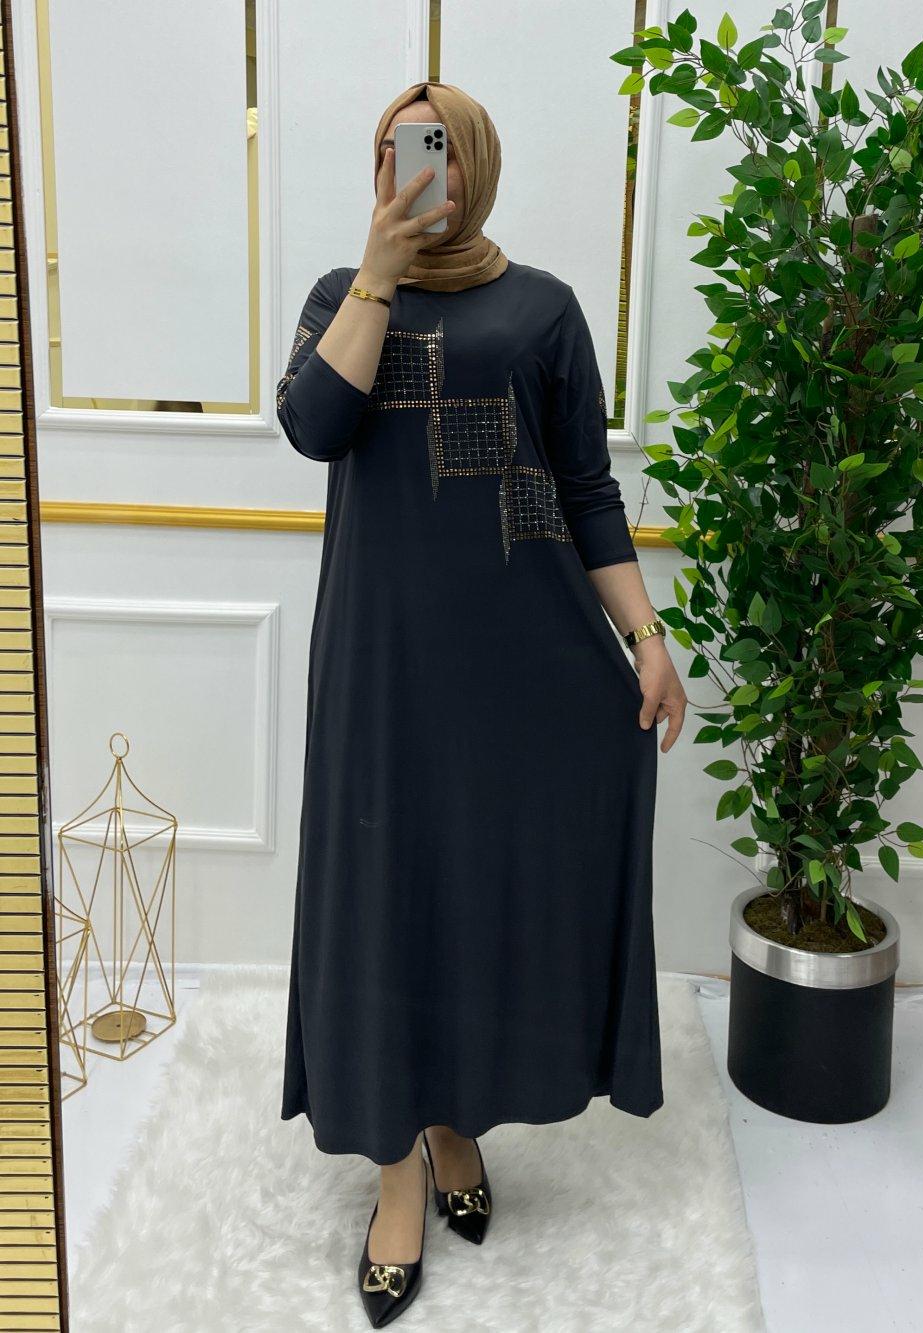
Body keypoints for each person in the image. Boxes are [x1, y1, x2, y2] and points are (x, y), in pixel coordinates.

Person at [276, 80, 687, 1327]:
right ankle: (396, 1170)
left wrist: (646, 637)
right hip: (382, 670)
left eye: (442, 152)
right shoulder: (338, 296)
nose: (421, 173)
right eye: (400, 152)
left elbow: (584, 489)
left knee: (478, 891)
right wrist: (378, 273)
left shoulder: (545, 309)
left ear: (480, 163)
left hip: (518, 667)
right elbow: (314, 426)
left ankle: (457, 1119)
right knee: (382, 898)